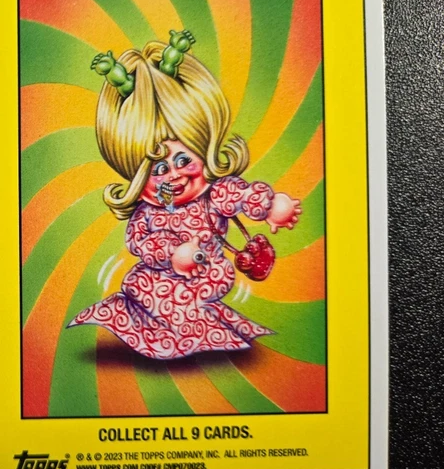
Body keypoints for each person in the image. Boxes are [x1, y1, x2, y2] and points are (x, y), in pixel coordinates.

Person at [68, 30, 301, 360]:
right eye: (159, 169)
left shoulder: (213, 194)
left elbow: (239, 195)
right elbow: (140, 241)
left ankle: (189, 333)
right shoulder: (148, 212)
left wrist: (271, 205)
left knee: (187, 299)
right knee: (139, 288)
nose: (174, 175)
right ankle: (169, 331)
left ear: (204, 152)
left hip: (206, 273)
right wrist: (172, 251)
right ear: (137, 177)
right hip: (156, 278)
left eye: (182, 161)